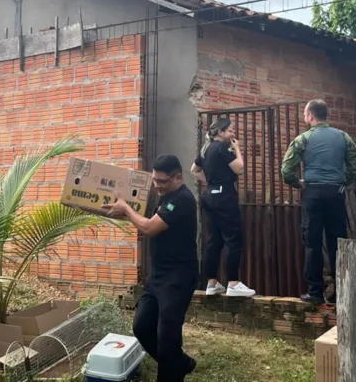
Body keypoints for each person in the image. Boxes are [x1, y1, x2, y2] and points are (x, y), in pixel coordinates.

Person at [102, 155, 198, 381]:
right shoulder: (165, 196)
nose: (156, 185)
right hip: (158, 276)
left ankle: (172, 372)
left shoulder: (182, 199)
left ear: (178, 178)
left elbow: (149, 228)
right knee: (142, 326)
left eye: (162, 181)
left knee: (167, 336)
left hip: (178, 278)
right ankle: (180, 363)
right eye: (154, 180)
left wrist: (125, 207)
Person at [280, 99, 356, 304]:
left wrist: (298, 184)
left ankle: (315, 293)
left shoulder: (303, 139)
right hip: (336, 193)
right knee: (338, 242)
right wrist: (344, 181)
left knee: (312, 242)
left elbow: (286, 170)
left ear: (310, 116)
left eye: (305, 115)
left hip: (313, 193)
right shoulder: (343, 137)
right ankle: (340, 293)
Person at [191, 117, 256, 297]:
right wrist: (237, 149)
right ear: (220, 132)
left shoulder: (205, 149)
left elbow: (193, 170)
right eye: (230, 130)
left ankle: (211, 283)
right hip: (225, 197)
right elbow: (240, 168)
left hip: (209, 196)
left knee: (213, 241)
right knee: (233, 240)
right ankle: (233, 283)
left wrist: (210, 182)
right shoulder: (222, 148)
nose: (232, 133)